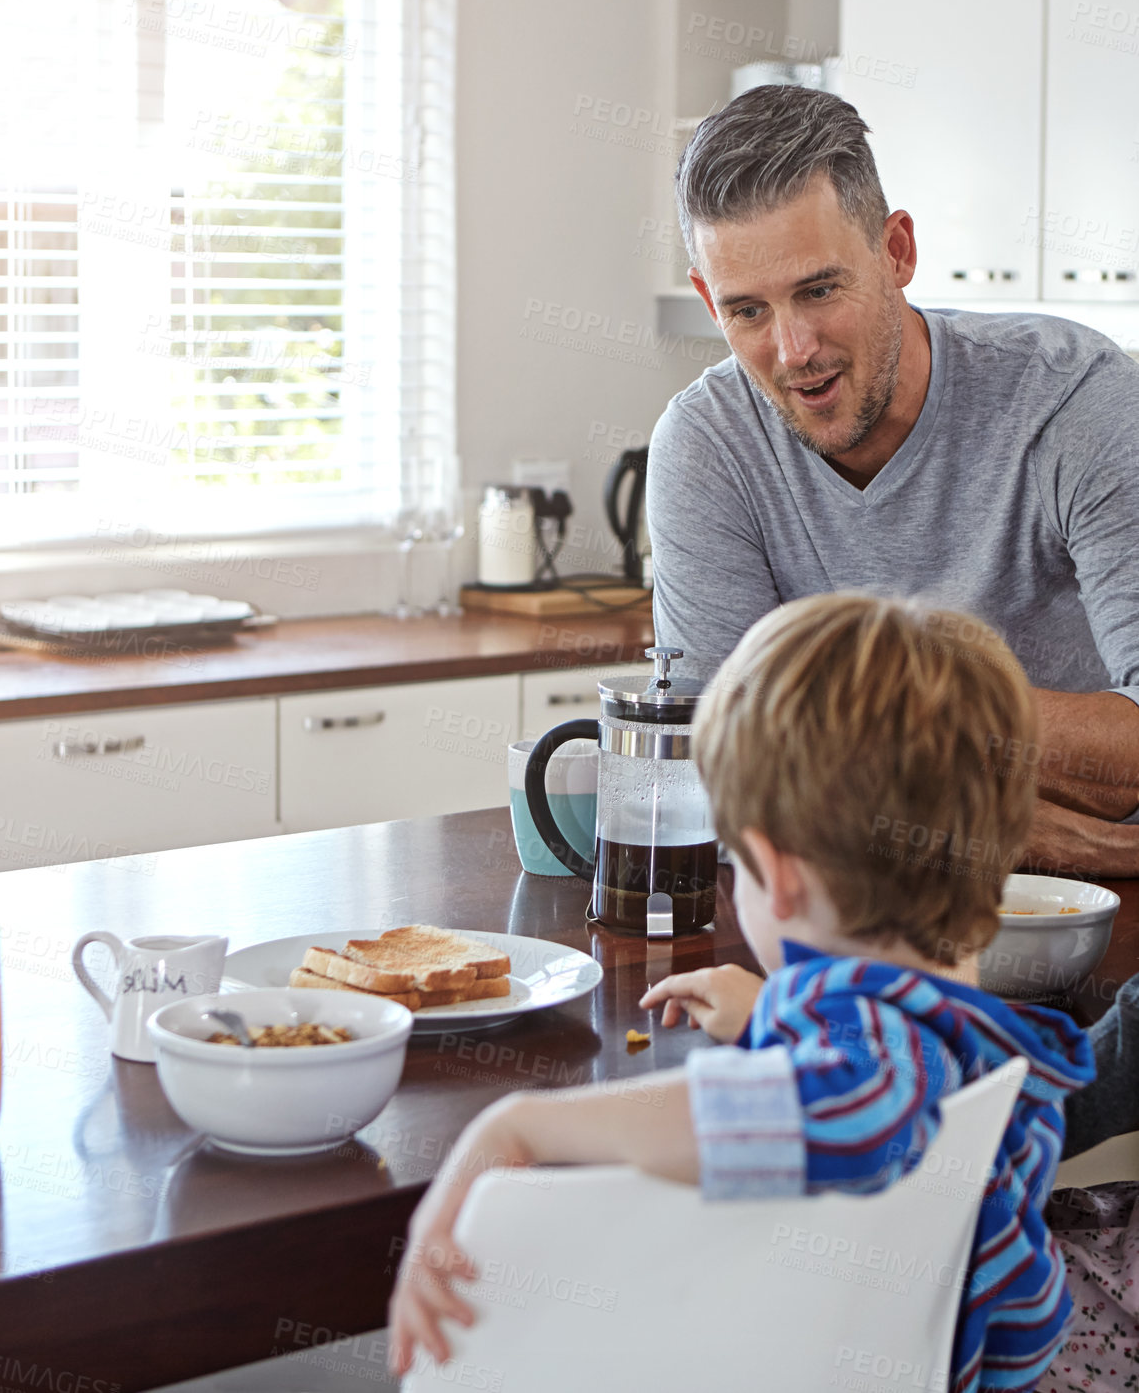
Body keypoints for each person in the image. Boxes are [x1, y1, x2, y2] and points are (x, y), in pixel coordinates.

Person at [387, 592, 1097, 1393]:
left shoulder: (882, 1063)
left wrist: (521, 1122)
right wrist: (776, 1017)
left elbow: (867, 1106)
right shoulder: (971, 1038)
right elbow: (889, 1056)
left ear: (779, 873)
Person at [648, 84, 1139, 876]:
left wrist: (864, 724)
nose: (794, 348)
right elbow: (727, 775)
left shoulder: (1074, 399)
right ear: (709, 302)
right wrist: (1042, 831)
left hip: (1090, 918)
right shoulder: (707, 446)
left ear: (897, 252)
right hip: (854, 920)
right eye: (748, 311)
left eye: (818, 289)